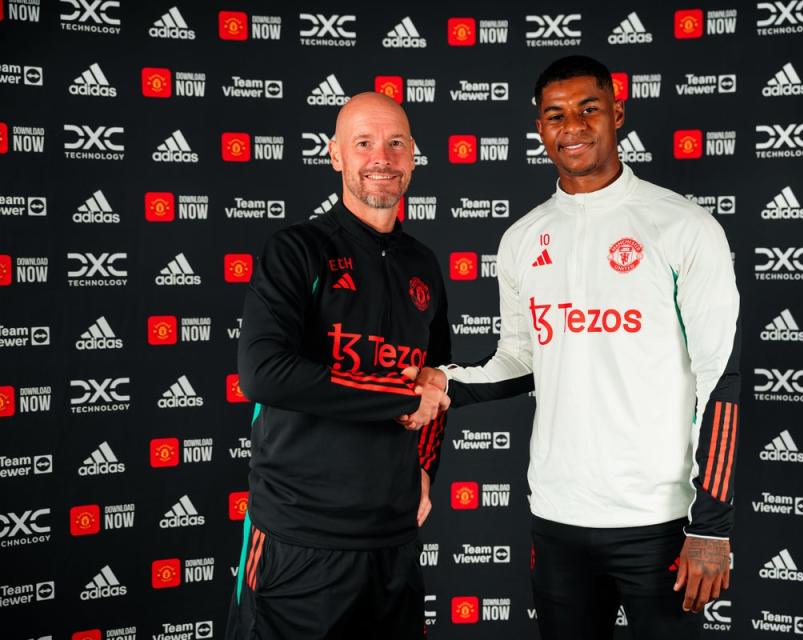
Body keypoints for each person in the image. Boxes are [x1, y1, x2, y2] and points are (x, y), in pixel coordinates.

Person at [409, 56, 741, 639]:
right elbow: (520, 360)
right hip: (558, 517)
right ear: (540, 128)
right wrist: (447, 383)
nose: (573, 126)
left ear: (618, 112)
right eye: (555, 114)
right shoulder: (521, 239)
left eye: (589, 109)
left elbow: (722, 380)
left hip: (658, 520)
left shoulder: (684, 227)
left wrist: (710, 525)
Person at [226, 92, 452, 639]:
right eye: (364, 143)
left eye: (397, 143)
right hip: (299, 539)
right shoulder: (296, 249)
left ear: (414, 156)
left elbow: (434, 378)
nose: (383, 156)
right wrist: (398, 398)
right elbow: (263, 372)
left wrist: (423, 470)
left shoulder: (422, 262)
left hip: (391, 541)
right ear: (335, 155)